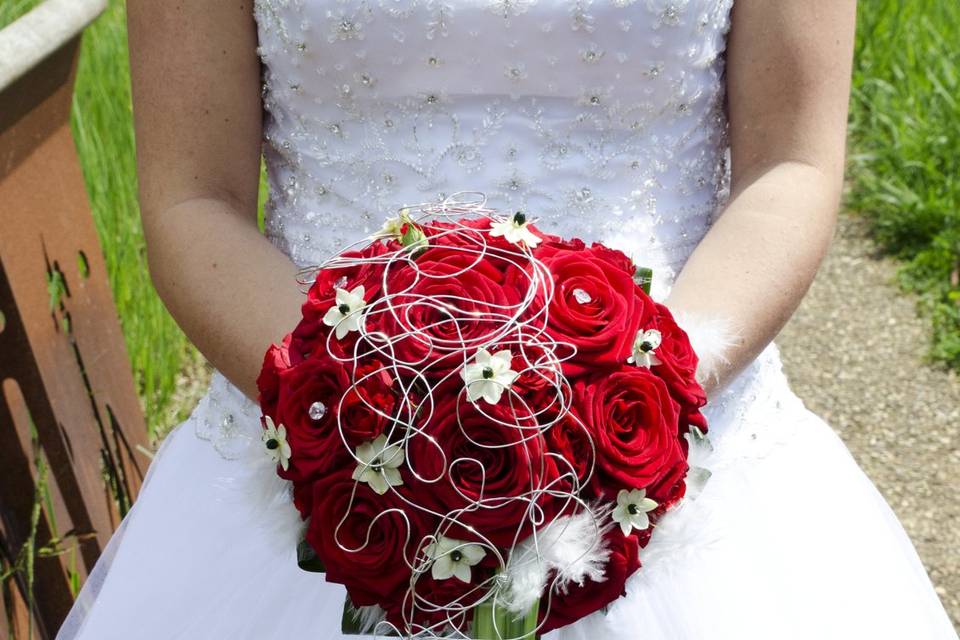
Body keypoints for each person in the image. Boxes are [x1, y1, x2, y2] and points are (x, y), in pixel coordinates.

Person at [56, 0, 958, 638]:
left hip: (675, 435)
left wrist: (644, 382)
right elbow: (191, 201)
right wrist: (351, 405)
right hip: (332, 450)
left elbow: (790, 167)